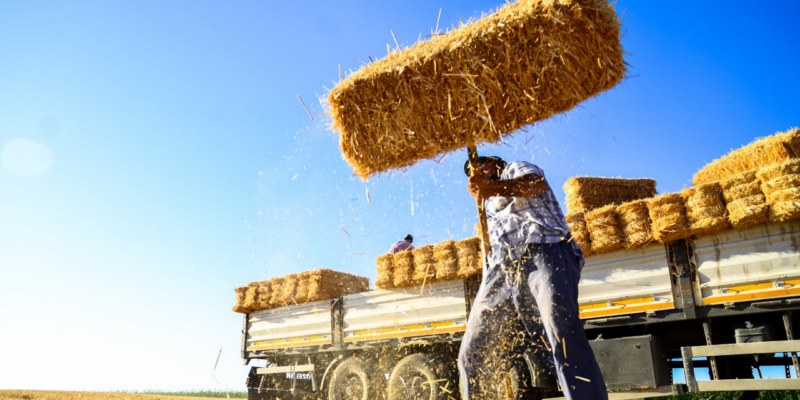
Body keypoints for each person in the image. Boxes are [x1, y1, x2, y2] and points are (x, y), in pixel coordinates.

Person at [457, 156, 607, 400]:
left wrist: (491, 188)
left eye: (483, 164)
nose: (479, 170)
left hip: (543, 250)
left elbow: (535, 183)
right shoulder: (485, 204)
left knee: (561, 336)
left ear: (496, 163)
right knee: (475, 349)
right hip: (503, 266)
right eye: (473, 171)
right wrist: (485, 195)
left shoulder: (514, 169)